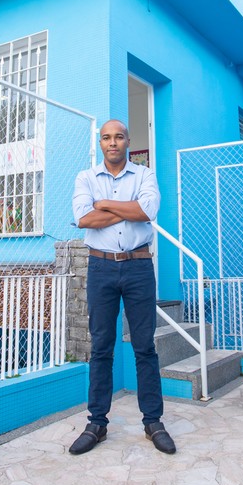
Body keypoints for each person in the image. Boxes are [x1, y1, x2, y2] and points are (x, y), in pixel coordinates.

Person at [68, 119, 176, 455]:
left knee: (144, 346)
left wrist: (104, 205)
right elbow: (84, 219)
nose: (112, 142)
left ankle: (153, 422)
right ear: (100, 143)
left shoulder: (143, 174)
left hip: (139, 266)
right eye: (106, 138)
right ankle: (97, 423)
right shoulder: (86, 178)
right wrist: (127, 210)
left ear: (128, 141)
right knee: (101, 346)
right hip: (100, 267)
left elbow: (148, 210)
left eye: (118, 137)